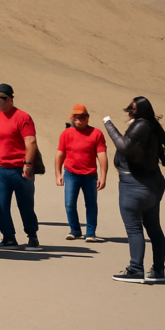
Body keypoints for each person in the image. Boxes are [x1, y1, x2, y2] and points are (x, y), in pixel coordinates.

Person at [104, 97, 165, 283]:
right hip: (152, 186)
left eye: (131, 109)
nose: (128, 112)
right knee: (154, 228)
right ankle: (158, 271)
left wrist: (108, 124)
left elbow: (124, 146)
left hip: (134, 186)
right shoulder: (150, 126)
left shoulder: (142, 126)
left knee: (134, 228)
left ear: (138, 112)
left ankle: (136, 269)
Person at [0, 83, 41, 251]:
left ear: (9, 99)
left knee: (25, 204)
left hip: (20, 170)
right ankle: (8, 238)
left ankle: (32, 237)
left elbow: (30, 141)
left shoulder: (23, 117)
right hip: (0, 170)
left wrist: (28, 164)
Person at [55, 104, 108, 242]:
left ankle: (90, 232)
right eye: (76, 117)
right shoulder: (66, 134)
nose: (79, 120)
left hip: (90, 175)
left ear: (87, 118)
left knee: (91, 204)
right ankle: (75, 230)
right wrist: (58, 174)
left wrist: (103, 176)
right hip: (71, 174)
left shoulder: (97, 133)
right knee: (69, 203)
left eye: (82, 117)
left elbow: (102, 155)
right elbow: (60, 154)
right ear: (72, 118)